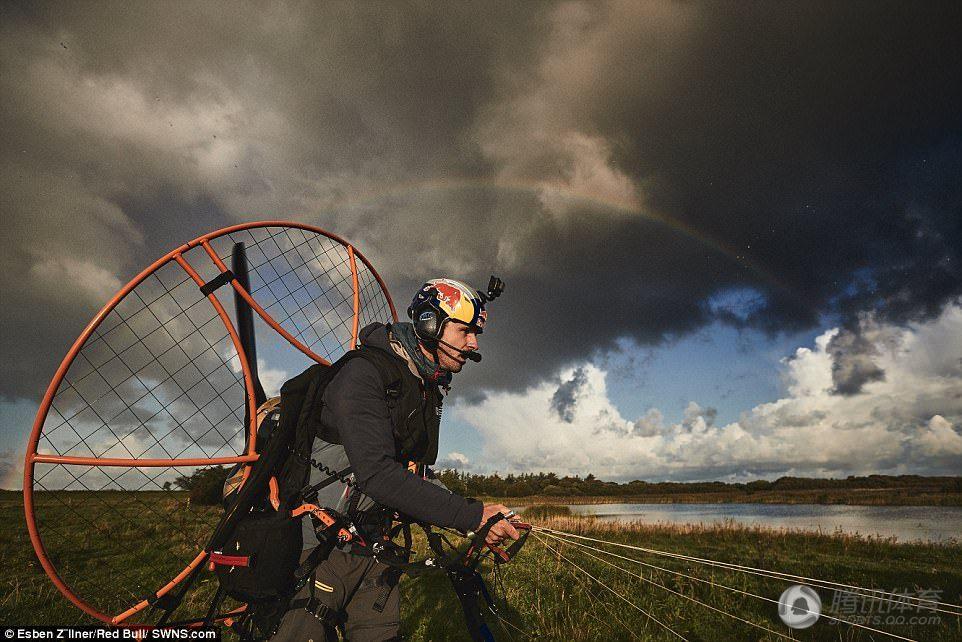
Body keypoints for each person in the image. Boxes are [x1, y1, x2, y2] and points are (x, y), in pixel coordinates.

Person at [271, 277, 518, 642]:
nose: (473, 344)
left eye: (476, 334)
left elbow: (412, 472)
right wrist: (470, 515)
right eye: (465, 331)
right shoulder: (364, 374)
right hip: (319, 547)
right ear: (429, 324)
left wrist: (476, 517)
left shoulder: (420, 384)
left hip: (376, 546)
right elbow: (377, 474)